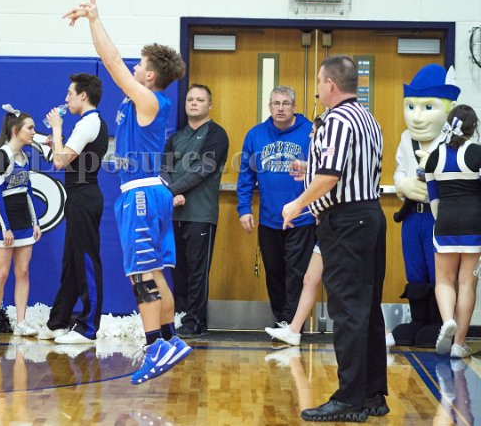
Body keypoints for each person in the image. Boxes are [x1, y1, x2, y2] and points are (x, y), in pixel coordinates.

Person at [63, 0, 191, 385]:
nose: (134, 68)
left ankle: (154, 348)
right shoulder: (144, 102)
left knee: (141, 276)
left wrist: (94, 19)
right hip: (149, 192)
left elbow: (112, 60)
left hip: (141, 194)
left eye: (141, 65)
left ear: (150, 77)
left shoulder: (148, 99)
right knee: (155, 272)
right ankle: (169, 339)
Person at [282, 56, 388, 422]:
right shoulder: (368, 118)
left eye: (318, 81)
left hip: (346, 221)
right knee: (367, 307)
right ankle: (372, 394)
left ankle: (349, 398)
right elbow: (346, 169)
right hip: (369, 215)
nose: (317, 87)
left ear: (330, 84)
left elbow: (330, 177)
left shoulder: (336, 120)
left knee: (347, 311)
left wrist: (297, 203)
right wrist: (309, 170)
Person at [391, 64, 459, 347]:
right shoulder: (406, 139)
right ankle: (418, 320)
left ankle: (440, 323)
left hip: (438, 217)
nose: (417, 117)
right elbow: (398, 171)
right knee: (415, 267)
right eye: (411, 107)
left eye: (428, 107)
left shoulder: (453, 142)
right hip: (412, 217)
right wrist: (403, 184)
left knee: (438, 270)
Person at [237, 86, 315, 329]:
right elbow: (245, 175)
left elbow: (323, 172)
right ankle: (281, 319)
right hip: (269, 219)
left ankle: (293, 324)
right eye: (276, 103)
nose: (280, 108)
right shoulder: (255, 135)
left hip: (303, 218)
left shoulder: (311, 132)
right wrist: (244, 208)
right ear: (269, 106)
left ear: (294, 106)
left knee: (297, 273)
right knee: (274, 272)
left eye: (286, 103)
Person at [41, 73, 108, 345]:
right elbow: (63, 159)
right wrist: (54, 142)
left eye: (70, 93)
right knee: (71, 264)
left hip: (85, 198)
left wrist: (57, 130)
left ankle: (88, 328)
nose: (66, 98)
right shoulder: (85, 124)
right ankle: (58, 322)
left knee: (87, 262)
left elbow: (60, 162)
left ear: (83, 95)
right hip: (77, 198)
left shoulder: (88, 123)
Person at [161, 84, 228, 339]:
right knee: (179, 271)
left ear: (209, 105)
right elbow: (164, 169)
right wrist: (171, 192)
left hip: (200, 214)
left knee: (198, 272)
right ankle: (181, 317)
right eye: (190, 99)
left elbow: (203, 169)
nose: (194, 103)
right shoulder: (176, 137)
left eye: (200, 100)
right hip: (175, 214)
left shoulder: (216, 134)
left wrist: (172, 190)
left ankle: (196, 322)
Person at [425, 105, 481, 358]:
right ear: (473, 128)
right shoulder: (478, 153)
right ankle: (459, 343)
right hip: (474, 224)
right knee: (467, 282)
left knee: (444, 280)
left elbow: (434, 201)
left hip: (445, 222)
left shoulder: (434, 157)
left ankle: (448, 320)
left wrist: (442, 222)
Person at [0, 106, 42, 338]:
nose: (33, 132)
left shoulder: (24, 157)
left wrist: (35, 222)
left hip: (24, 222)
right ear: (16, 130)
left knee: (23, 272)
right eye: (30, 128)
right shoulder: (1, 155)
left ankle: (21, 322)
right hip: (3, 223)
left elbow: (27, 191)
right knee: (2, 273)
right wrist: (5, 227)